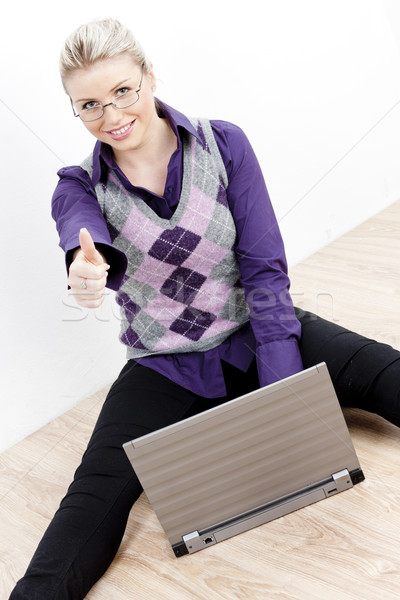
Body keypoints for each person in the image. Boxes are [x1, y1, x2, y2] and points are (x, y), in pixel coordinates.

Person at [10, 17, 400, 599]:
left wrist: (282, 396)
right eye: (88, 105)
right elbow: (84, 239)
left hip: (259, 334)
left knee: (385, 373)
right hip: (164, 366)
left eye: (123, 91)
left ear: (149, 76)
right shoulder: (78, 187)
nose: (112, 117)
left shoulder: (223, 144)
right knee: (88, 502)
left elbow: (264, 269)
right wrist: (86, 271)